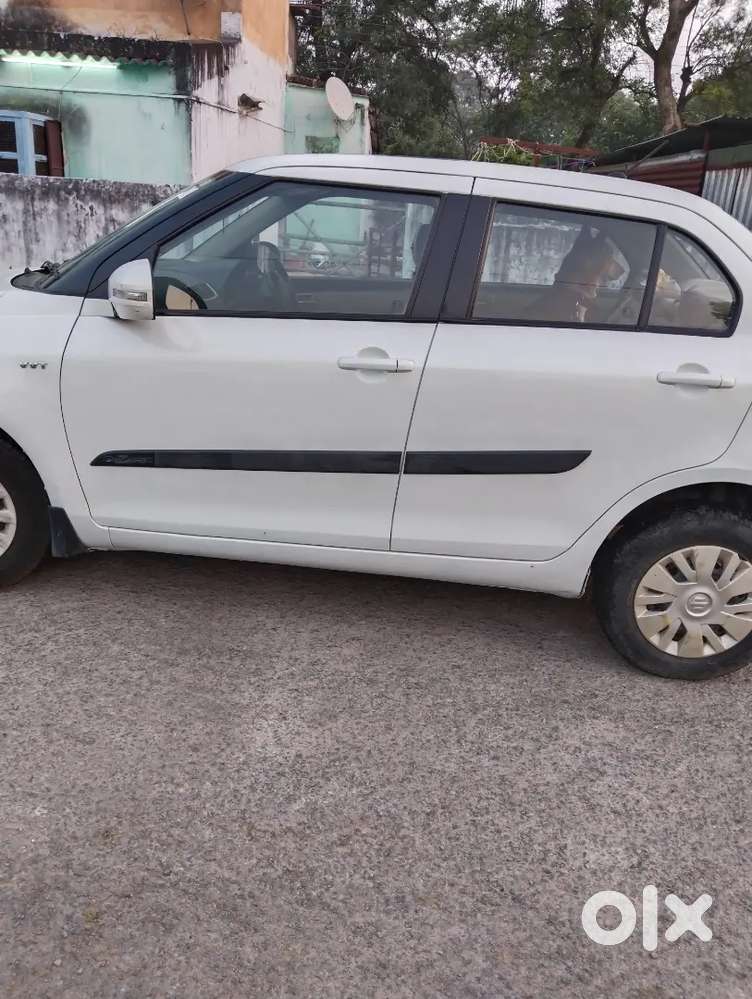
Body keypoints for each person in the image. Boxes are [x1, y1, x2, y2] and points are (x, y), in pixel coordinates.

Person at [529, 227, 624, 324]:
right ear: (589, 262)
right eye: (609, 258)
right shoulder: (556, 308)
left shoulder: (570, 297)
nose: (620, 269)